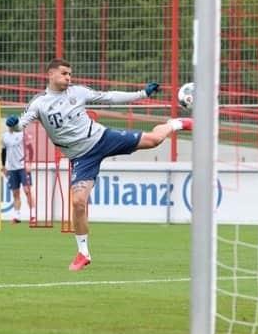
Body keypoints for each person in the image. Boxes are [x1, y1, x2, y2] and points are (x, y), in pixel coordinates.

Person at [10, 57, 192, 271]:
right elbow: (20, 125)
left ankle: (175, 123)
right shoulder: (39, 103)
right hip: (81, 158)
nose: (68, 77)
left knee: (154, 140)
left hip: (102, 138)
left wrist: (142, 94)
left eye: (70, 73)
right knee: (78, 202)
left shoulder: (78, 92)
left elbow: (109, 97)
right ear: (50, 75)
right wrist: (13, 125)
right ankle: (83, 253)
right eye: (64, 73)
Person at [2, 115, 34, 224]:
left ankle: (33, 215)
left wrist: (29, 163)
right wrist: (3, 166)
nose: (11, 128)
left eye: (12, 126)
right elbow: (4, 152)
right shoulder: (5, 136)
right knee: (15, 193)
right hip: (11, 168)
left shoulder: (22, 134)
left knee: (27, 191)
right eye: (9, 126)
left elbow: (30, 149)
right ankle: (17, 216)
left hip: (22, 166)